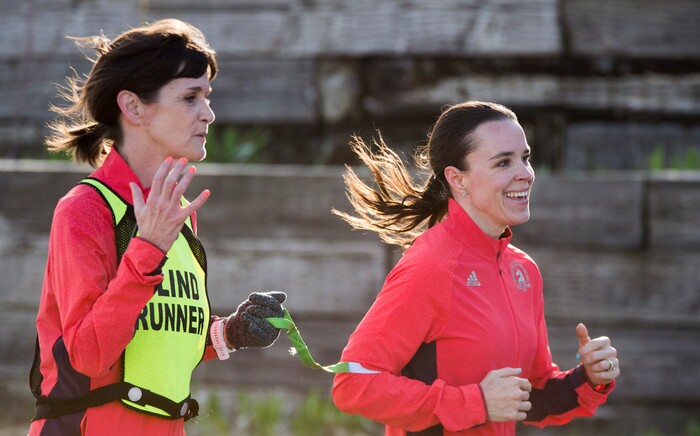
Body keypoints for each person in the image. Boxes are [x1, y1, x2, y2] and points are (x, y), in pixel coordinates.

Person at [28, 19, 286, 435]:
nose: (208, 113)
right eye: (190, 97)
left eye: (208, 96)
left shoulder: (177, 213)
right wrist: (147, 247)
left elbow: (155, 342)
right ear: (132, 107)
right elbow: (90, 354)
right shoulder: (84, 209)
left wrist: (229, 333)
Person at [331, 101, 619, 435]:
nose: (525, 173)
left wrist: (590, 379)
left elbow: (532, 398)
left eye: (524, 157)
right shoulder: (430, 266)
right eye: (503, 162)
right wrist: (474, 402)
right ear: (457, 179)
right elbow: (352, 384)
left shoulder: (523, 270)